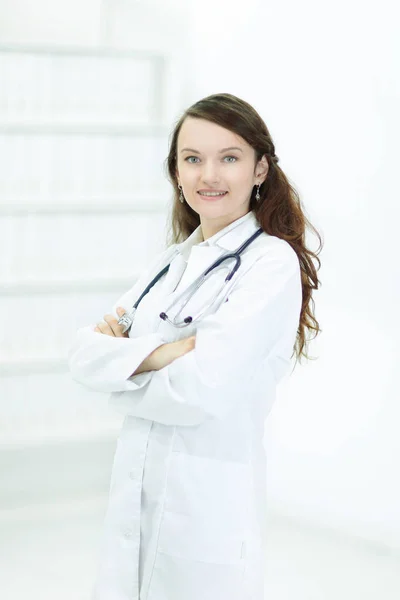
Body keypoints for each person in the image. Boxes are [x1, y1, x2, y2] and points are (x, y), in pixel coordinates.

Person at [68, 92, 322, 600]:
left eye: (229, 158)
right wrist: (166, 353)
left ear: (260, 169)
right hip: (135, 503)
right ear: (177, 173)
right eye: (193, 159)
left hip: (206, 512)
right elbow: (81, 357)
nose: (210, 175)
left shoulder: (269, 265)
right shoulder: (170, 264)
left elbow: (201, 388)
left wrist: (121, 365)